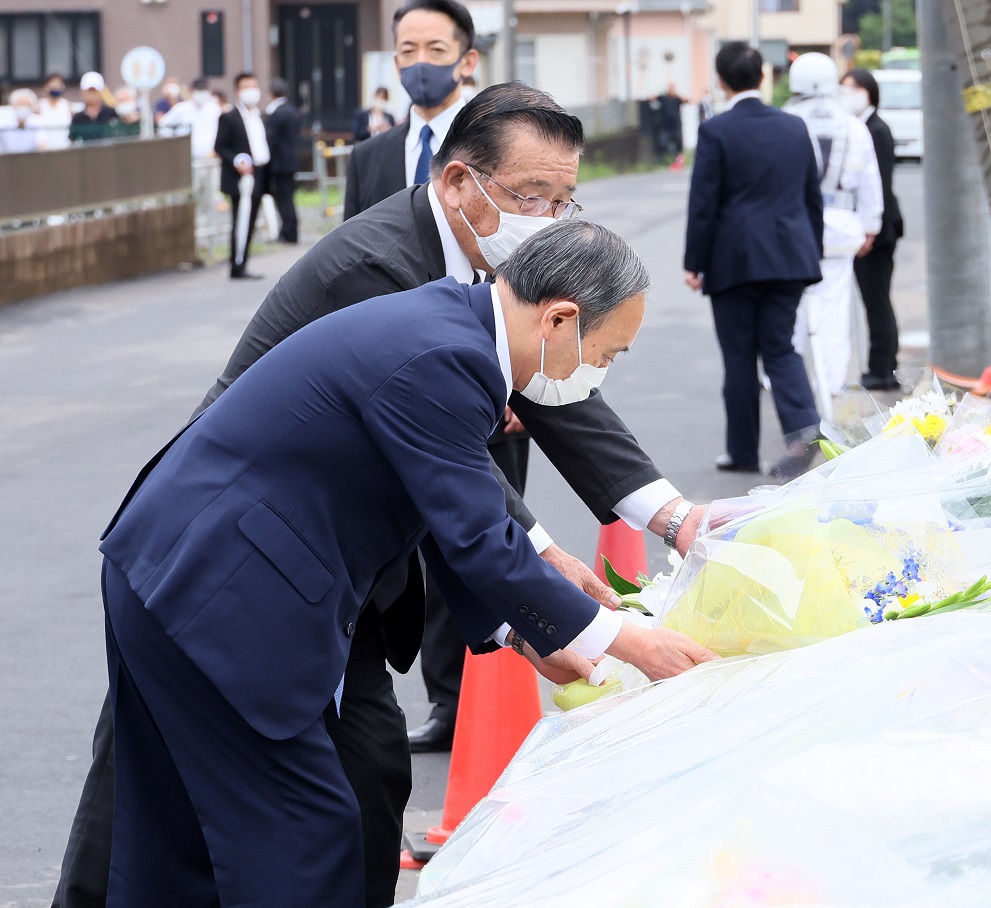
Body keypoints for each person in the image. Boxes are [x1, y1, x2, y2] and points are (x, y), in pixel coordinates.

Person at [51, 82, 711, 908]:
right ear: (560, 318)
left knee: (178, 840)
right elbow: (475, 534)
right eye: (605, 354)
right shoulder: (441, 350)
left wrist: (531, 622)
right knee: (306, 832)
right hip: (217, 585)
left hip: (190, 568)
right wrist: (628, 640)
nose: (597, 374)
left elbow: (448, 514)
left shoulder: (453, 324)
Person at [344, 0, 528, 752]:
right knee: (407, 549)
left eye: (435, 46)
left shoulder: (506, 151)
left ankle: (486, 705)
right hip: (392, 387)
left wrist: (516, 384)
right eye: (406, 46)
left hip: (488, 384)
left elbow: (536, 273)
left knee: (482, 535)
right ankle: (446, 702)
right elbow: (357, 267)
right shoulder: (372, 158)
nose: (418, 58)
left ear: (467, 59)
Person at [684, 42, 824, 481]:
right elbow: (810, 197)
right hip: (789, 257)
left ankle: (742, 450)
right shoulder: (794, 126)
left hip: (734, 261)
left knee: (740, 358)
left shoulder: (717, 130)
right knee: (781, 348)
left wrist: (695, 261)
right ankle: (805, 434)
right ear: (763, 78)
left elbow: (705, 202)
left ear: (722, 82)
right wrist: (811, 251)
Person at [784, 53, 882, 412]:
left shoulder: (787, 119)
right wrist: (871, 225)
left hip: (795, 225)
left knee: (789, 305)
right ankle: (833, 382)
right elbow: (869, 182)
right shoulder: (852, 125)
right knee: (834, 307)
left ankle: (783, 376)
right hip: (841, 227)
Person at [344, 0, 479, 219]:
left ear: (467, 62)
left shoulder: (497, 146)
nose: (420, 62)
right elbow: (351, 247)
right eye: (408, 50)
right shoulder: (366, 158)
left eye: (436, 49)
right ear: (397, 65)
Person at [843, 68, 905, 391]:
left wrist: (870, 231)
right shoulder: (863, 128)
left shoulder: (875, 130)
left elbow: (878, 186)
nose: (846, 93)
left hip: (878, 233)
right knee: (875, 299)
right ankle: (881, 365)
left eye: (851, 88)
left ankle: (883, 368)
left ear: (868, 91)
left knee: (877, 299)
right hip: (872, 229)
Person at [213, 72, 270, 279]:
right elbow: (220, 146)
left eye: (254, 85)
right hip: (240, 177)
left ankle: (243, 260)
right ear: (237, 90)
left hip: (260, 172)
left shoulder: (260, 116)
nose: (251, 90)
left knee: (252, 218)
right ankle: (236, 263)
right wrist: (237, 160)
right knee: (241, 219)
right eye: (246, 86)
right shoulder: (229, 117)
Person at [264, 78, 302, 244]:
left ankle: (288, 232)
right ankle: (291, 230)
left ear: (271, 93)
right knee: (289, 197)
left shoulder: (276, 113)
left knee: (283, 199)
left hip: (278, 163)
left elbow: (270, 139)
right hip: (291, 160)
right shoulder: (293, 111)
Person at [158, 77, 223, 159]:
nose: (201, 94)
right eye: (198, 90)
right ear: (191, 91)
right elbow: (162, 126)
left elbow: (222, 131)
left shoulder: (214, 109)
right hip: (186, 157)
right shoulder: (181, 109)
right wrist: (176, 141)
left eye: (203, 90)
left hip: (211, 157)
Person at [69, 73, 116, 143]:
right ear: (82, 92)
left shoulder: (111, 113)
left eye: (94, 91)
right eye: (89, 91)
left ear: (101, 92)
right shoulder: (78, 118)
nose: (91, 95)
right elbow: (72, 140)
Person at [0, 89, 47, 154]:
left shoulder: (38, 121)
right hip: (7, 160)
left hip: (31, 159)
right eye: (20, 104)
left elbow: (42, 145)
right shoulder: (3, 123)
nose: (23, 107)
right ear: (13, 106)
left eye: (27, 105)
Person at [38, 74, 72, 150]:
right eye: (53, 86)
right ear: (46, 87)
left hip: (64, 147)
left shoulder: (67, 106)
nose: (55, 88)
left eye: (58, 86)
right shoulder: (39, 106)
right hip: (46, 149)